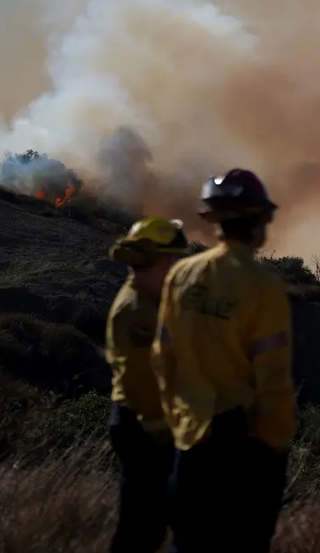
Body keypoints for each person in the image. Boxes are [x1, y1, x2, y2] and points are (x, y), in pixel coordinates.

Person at [152, 168, 296, 553]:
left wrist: (178, 421)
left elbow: (163, 357)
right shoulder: (262, 286)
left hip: (191, 442)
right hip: (245, 451)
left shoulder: (181, 276)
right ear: (257, 221)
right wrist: (274, 443)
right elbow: (273, 377)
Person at [105, 217, 190, 553]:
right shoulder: (137, 311)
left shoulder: (151, 300)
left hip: (148, 424)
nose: (177, 267)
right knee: (139, 532)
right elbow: (141, 381)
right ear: (157, 260)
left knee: (149, 528)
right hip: (144, 427)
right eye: (173, 259)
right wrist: (163, 430)